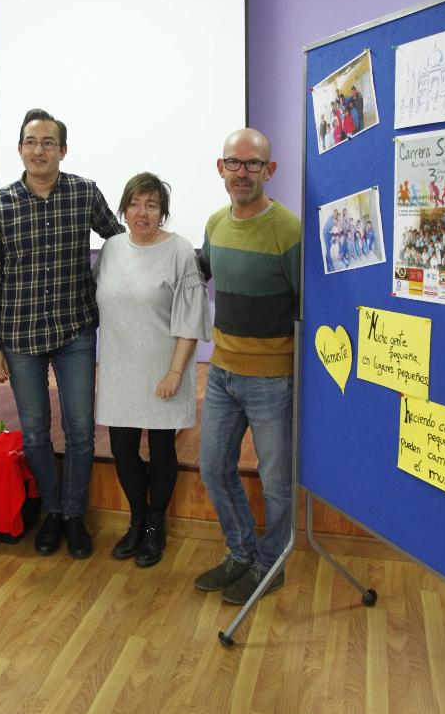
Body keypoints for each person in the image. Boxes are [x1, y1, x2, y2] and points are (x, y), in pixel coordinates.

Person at [0, 107, 123, 560]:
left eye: (48, 142)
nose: (39, 150)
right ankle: (52, 512)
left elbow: (118, 240)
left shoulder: (83, 193)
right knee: (35, 432)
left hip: (75, 328)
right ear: (20, 149)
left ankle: (74, 515)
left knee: (79, 429)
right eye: (31, 142)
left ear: (63, 149)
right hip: (19, 337)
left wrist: (164, 253)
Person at [194, 128, 301, 604]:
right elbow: (200, 277)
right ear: (220, 168)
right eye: (233, 163)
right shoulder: (215, 223)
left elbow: (307, 305)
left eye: (252, 164)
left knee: (276, 484)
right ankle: (241, 553)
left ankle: (270, 564)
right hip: (221, 372)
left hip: (273, 378)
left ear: (269, 170)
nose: (242, 172)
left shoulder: (288, 230)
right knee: (213, 467)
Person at [95, 173, 211, 566]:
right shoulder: (111, 248)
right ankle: (136, 519)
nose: (141, 212)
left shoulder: (179, 251)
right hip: (119, 368)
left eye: (151, 205)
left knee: (161, 449)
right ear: (123, 208)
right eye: (134, 203)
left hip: (164, 368)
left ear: (163, 212)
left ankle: (155, 525)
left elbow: (192, 319)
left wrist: (176, 373)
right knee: (123, 449)